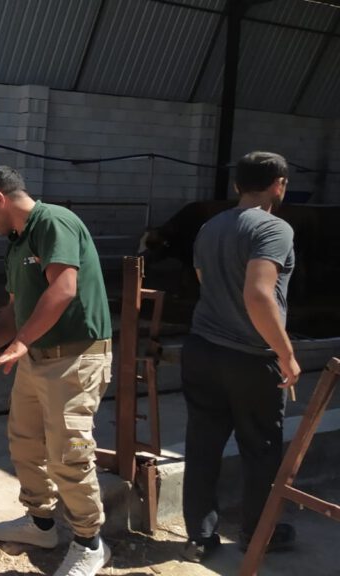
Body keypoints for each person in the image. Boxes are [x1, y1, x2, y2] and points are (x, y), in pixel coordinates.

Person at [0, 166, 113, 576]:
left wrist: (21, 343)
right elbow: (14, 309)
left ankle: (90, 542)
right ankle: (41, 523)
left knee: (70, 453)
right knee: (25, 442)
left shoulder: (53, 222)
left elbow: (63, 288)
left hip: (75, 358)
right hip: (36, 359)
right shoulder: (16, 244)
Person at [180, 151, 300, 563]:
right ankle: (257, 533)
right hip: (251, 359)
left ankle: (200, 536)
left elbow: (204, 281)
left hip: (201, 350)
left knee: (203, 446)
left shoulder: (211, 227)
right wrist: (286, 353)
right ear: (278, 184)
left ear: (236, 186)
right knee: (261, 449)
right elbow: (258, 293)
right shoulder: (274, 228)